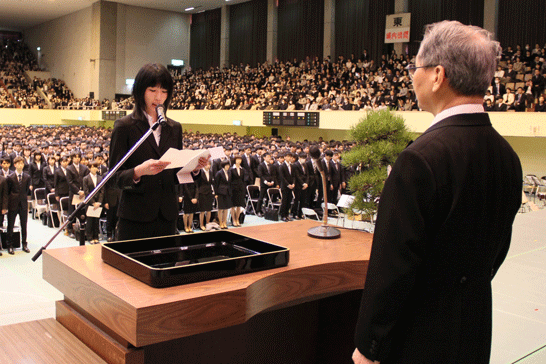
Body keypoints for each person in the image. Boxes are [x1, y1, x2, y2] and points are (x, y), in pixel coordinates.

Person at [353, 21, 522, 364]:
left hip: (418, 338)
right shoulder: (508, 157)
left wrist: (369, 346)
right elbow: (497, 250)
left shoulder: (420, 159)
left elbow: (393, 268)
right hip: (474, 327)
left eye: (415, 67)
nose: (412, 78)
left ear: (437, 75)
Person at [108, 63, 206, 241]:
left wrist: (194, 168)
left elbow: (174, 176)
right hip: (135, 217)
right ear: (140, 91)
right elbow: (113, 179)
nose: (159, 97)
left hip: (167, 217)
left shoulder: (174, 128)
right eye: (152, 90)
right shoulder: (125, 127)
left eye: (164, 91)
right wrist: (139, 172)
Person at [6, 157, 31, 254]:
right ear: (15, 165)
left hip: (23, 204)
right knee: (10, 225)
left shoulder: (27, 177)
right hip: (13, 204)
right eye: (18, 163)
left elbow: (26, 191)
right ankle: (10, 245)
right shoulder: (10, 177)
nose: (20, 165)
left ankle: (24, 244)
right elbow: (8, 192)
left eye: (22, 163)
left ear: (23, 165)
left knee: (24, 225)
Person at [82, 161, 104, 244]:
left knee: (96, 220)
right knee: (90, 221)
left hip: (98, 203)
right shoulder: (85, 178)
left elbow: (102, 191)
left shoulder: (100, 178)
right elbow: (86, 192)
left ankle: (96, 236)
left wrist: (99, 202)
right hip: (90, 203)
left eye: (95, 167)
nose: (94, 169)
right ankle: (90, 237)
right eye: (92, 167)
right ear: (89, 168)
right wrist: (93, 202)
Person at [196, 160, 214, 230]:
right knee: (202, 210)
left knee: (209, 210)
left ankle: (208, 224)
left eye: (209, 165)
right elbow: (197, 184)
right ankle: (201, 225)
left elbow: (211, 183)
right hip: (202, 193)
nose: (208, 166)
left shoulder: (211, 172)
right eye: (207, 164)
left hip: (209, 192)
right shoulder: (200, 172)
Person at [214, 159, 232, 229]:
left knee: (226, 208)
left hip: (227, 192)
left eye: (228, 165)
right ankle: (220, 222)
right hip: (220, 192)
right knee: (221, 208)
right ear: (223, 166)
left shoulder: (229, 172)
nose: (228, 167)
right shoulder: (219, 173)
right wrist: (216, 193)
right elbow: (216, 184)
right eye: (227, 165)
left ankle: (224, 222)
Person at [230, 155, 247, 227]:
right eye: (237, 159)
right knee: (233, 206)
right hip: (233, 189)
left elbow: (243, 180)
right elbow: (230, 180)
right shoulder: (231, 169)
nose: (239, 161)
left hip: (240, 189)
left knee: (239, 205)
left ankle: (237, 219)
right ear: (234, 160)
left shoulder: (242, 169)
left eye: (240, 159)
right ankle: (233, 220)